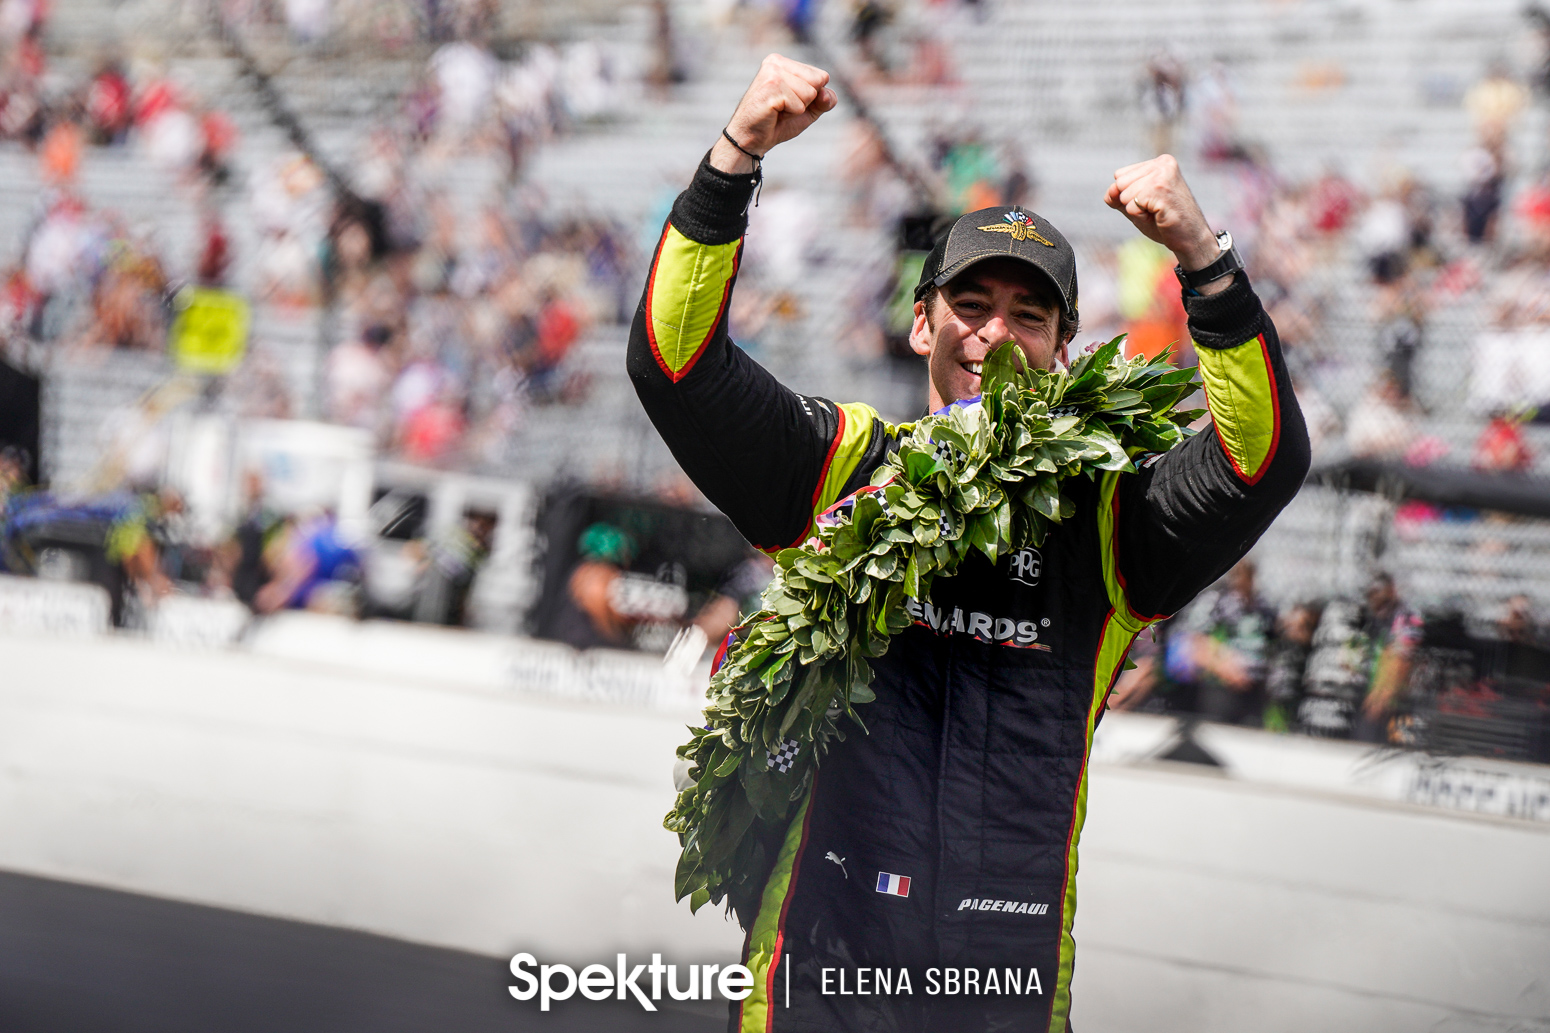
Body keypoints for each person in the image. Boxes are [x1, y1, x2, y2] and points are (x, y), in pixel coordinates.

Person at [628, 54, 1309, 1033]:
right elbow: (673, 363)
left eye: (1029, 315)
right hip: (823, 976)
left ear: (1064, 351)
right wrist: (736, 155)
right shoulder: (841, 469)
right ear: (920, 325)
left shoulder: (1108, 526)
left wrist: (1202, 254)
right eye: (970, 305)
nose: (996, 333)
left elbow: (1263, 459)